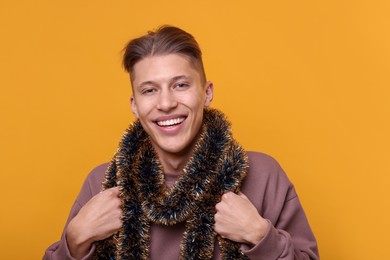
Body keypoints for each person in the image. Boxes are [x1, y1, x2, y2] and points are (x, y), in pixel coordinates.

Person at [44, 25, 319, 260]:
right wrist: (75, 241)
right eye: (149, 90)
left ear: (207, 93)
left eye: (181, 85)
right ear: (135, 106)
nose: (166, 103)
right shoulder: (102, 184)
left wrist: (260, 236)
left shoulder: (264, 175)